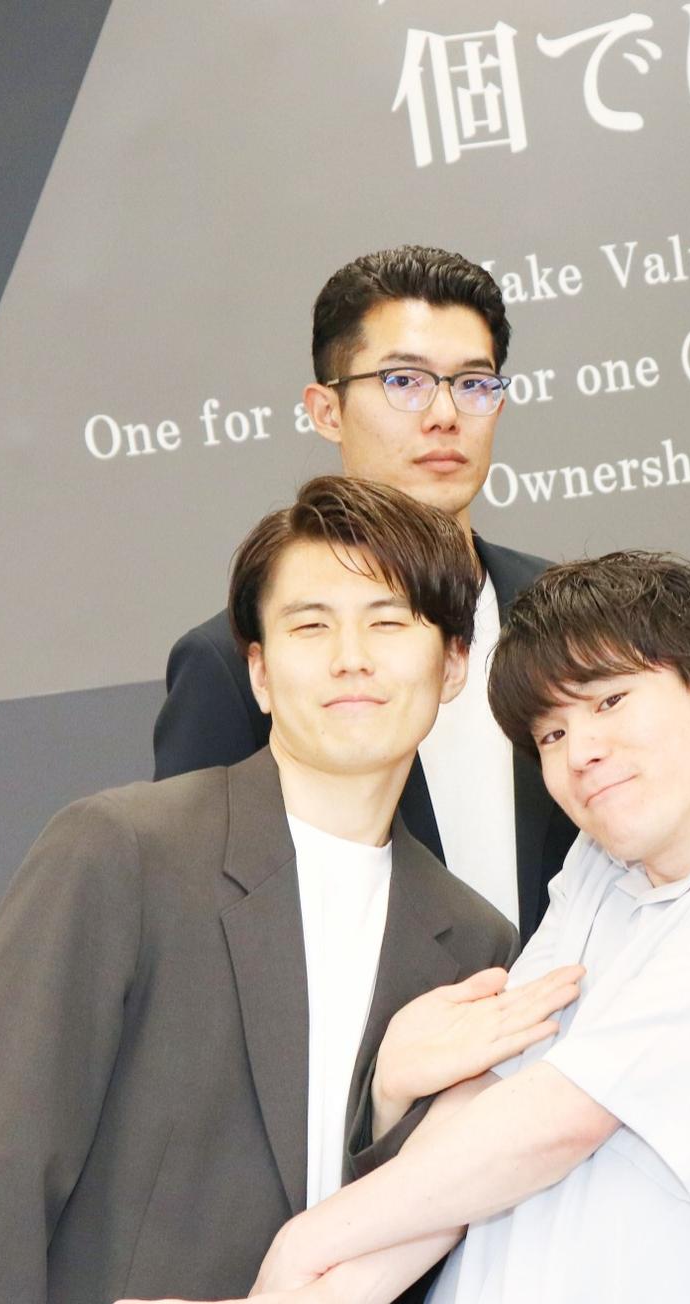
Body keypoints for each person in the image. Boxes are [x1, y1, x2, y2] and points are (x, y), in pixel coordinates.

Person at [143, 551, 690, 1304]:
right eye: (551, 734)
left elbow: (556, 1122)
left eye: (609, 702)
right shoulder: (599, 867)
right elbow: (477, 1112)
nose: (581, 752)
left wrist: (306, 1241)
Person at [0, 477, 572, 1303]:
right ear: (259, 671)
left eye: (388, 622)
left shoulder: (472, 940)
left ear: (454, 664)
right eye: (311, 625)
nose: (351, 657)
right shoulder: (125, 854)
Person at [154, 246, 574, 935]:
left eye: (474, 384)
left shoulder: (566, 613)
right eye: (404, 381)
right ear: (326, 410)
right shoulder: (233, 660)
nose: (445, 415)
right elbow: (199, 918)